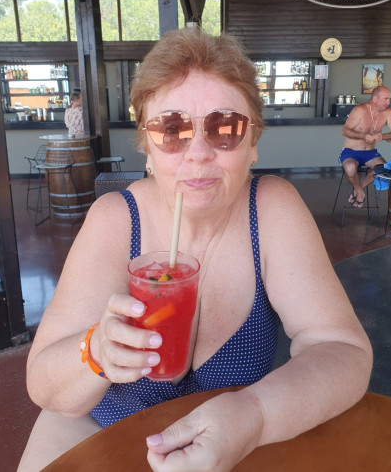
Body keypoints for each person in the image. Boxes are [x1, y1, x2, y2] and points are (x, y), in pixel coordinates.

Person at [19, 29, 372, 472]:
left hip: (230, 447)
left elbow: (342, 349)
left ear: (253, 143)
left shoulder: (271, 208)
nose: (199, 153)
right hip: (100, 436)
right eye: (172, 129)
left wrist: (256, 414)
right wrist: (96, 352)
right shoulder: (115, 218)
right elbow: (44, 386)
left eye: (226, 128)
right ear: (147, 147)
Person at [339, 85, 391, 207]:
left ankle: (358, 191)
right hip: (351, 151)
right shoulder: (360, 110)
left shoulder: (388, 112)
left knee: (383, 168)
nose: (388, 102)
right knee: (350, 167)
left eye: (389, 99)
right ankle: (359, 192)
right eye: (385, 99)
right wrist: (362, 135)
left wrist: (384, 136)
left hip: (370, 153)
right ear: (374, 98)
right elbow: (345, 131)